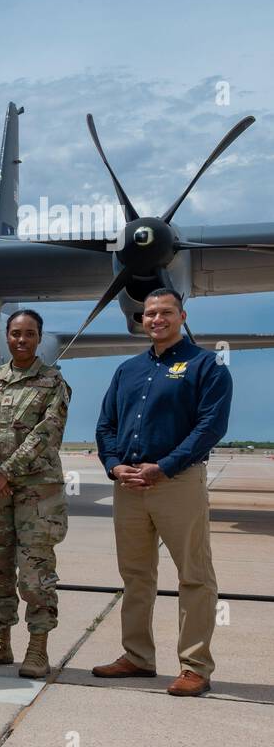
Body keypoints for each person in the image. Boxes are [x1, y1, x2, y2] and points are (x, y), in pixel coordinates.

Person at [93, 288, 232, 697]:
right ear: (141, 320)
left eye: (165, 312)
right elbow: (106, 425)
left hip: (177, 482)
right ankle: (137, 656)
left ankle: (195, 666)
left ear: (182, 315)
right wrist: (115, 465)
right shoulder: (128, 370)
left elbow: (210, 427)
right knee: (136, 576)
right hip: (129, 485)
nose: (156, 319)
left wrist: (164, 467)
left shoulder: (207, 365)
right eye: (149, 313)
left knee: (194, 576)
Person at [0, 308, 70, 678]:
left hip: (37, 493)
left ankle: (38, 647)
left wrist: (5, 472)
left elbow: (46, 434)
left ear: (39, 338)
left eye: (29, 333)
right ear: (6, 336)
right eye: (15, 333)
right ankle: (0, 642)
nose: (21, 339)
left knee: (34, 572)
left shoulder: (52, 382)